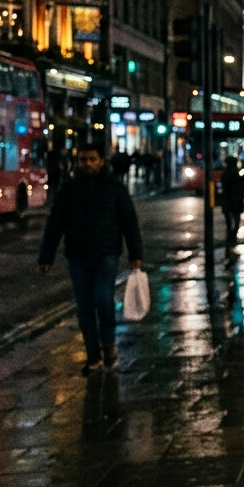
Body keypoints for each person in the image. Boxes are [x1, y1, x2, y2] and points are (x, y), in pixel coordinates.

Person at [37, 143, 144, 376]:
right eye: (82, 160)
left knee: (103, 299)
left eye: (91, 159)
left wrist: (136, 254)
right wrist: (47, 255)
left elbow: (129, 221)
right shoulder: (69, 188)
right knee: (84, 307)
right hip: (77, 255)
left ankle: (108, 346)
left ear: (101, 161)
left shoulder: (114, 187)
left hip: (106, 253)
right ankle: (92, 355)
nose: (86, 163)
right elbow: (56, 223)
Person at [218, 155, 244, 252]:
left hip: (227, 201)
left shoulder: (225, 174)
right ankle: (233, 237)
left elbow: (223, 187)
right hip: (236, 201)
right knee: (237, 221)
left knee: (229, 222)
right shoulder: (237, 174)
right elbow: (241, 188)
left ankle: (229, 237)